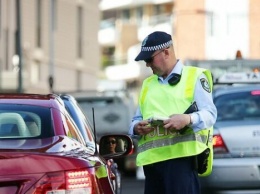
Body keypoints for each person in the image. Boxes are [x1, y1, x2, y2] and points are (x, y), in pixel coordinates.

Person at [129, 31, 217, 194]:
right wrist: (136, 127)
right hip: (152, 166)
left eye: (149, 59)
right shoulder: (148, 84)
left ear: (166, 52)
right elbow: (136, 118)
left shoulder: (194, 76)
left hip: (181, 164)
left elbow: (210, 114)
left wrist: (188, 119)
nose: (148, 65)